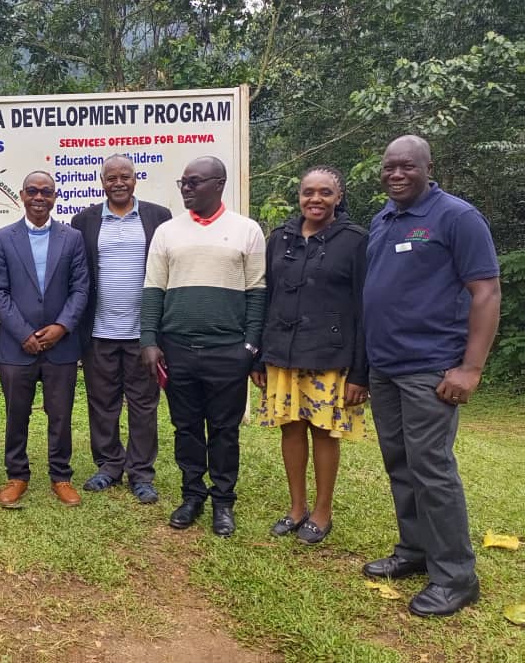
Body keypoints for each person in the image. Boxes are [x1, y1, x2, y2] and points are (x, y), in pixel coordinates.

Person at [362, 135, 501, 617]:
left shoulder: (456, 217)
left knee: (432, 469)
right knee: (401, 463)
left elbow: (485, 292)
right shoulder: (383, 218)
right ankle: (416, 550)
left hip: (430, 367)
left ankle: (456, 577)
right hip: (386, 367)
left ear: (427, 167)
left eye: (407, 167)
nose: (396, 174)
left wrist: (470, 367)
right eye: (389, 167)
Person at [140, 156, 265, 536]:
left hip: (228, 350)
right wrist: (149, 341)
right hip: (177, 348)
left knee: (225, 429)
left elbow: (257, 292)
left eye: (194, 182)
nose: (186, 189)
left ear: (219, 184)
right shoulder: (167, 232)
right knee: (186, 427)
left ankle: (223, 502)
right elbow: (152, 291)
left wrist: (250, 347)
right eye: (183, 183)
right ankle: (192, 495)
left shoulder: (247, 230)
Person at [251, 166, 368, 545]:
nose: (315, 199)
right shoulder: (279, 238)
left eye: (325, 192)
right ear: (299, 196)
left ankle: (322, 510)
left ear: (339, 197)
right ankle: (296, 507)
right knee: (291, 427)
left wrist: (360, 373)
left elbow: (365, 307)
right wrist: (258, 356)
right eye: (308, 192)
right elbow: (264, 299)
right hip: (282, 352)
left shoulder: (355, 241)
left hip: (330, 355)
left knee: (323, 431)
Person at [71, 155, 172, 504]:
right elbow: (80, 276)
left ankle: (141, 473)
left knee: (144, 404)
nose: (118, 182)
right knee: (102, 403)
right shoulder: (83, 220)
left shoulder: (159, 217)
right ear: (102, 181)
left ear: (135, 179)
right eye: (111, 177)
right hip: (98, 331)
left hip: (143, 334)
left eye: (124, 176)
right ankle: (109, 466)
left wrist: (156, 333)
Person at [0, 171, 89, 508]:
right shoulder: (3, 238)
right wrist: (23, 334)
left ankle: (60, 476)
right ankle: (17, 476)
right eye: (32, 190)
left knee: (60, 413)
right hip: (17, 347)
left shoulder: (72, 238)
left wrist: (62, 327)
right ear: (22, 194)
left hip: (61, 344)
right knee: (17, 413)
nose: (39, 197)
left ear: (55, 197)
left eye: (46, 192)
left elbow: (80, 288)